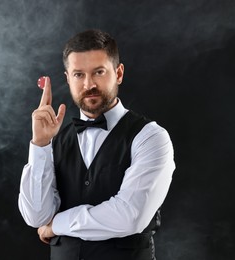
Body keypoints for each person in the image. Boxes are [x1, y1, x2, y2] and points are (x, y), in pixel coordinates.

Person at [18, 29, 175, 260]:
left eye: (99, 72)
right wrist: (40, 145)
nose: (88, 84)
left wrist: (56, 225)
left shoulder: (151, 137)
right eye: (78, 75)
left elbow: (129, 216)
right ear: (68, 78)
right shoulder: (54, 140)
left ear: (118, 73)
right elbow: (36, 216)